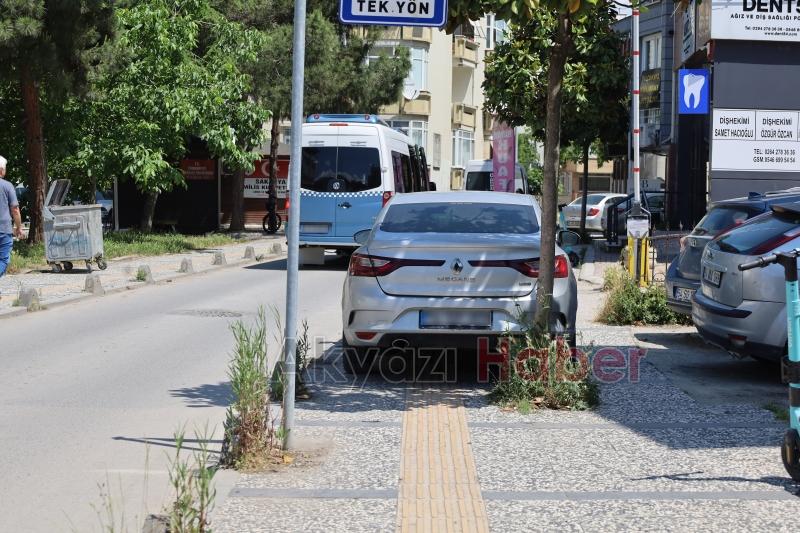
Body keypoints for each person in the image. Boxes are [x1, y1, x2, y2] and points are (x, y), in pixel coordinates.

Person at [0, 156, 24, 284]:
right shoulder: (7, 186)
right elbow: (15, 209)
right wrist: (19, 227)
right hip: (3, 229)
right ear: (1, 170)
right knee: (3, 260)